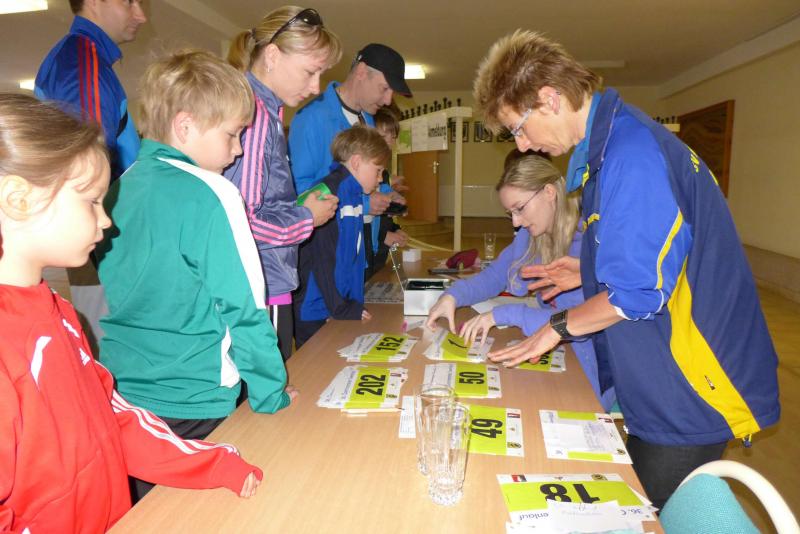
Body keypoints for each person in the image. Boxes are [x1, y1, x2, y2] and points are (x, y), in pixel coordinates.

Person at [474, 30, 780, 509]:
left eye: (518, 128)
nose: (523, 144)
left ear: (549, 99)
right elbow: (657, 255)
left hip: (689, 389)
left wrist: (557, 327)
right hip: (660, 378)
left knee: (640, 515)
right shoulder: (610, 147)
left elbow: (636, 294)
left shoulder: (631, 156)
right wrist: (587, 272)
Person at [0, 93, 262, 533]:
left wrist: (211, 464)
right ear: (19, 200)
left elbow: (114, 418)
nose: (107, 221)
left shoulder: (59, 312)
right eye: (91, 202)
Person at [95, 51, 296, 499]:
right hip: (196, 402)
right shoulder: (214, 193)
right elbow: (245, 308)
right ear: (185, 127)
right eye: (232, 134)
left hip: (126, 401)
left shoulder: (116, 190)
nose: (238, 149)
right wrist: (272, 394)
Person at [426, 154, 613, 410]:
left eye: (520, 208)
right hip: (555, 350)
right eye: (510, 213)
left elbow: (578, 321)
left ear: (549, 192)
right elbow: (494, 276)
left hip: (591, 369)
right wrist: (452, 296)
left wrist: (503, 315)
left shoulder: (588, 241)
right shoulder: (530, 234)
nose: (515, 222)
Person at [224, 6, 341, 360]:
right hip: (261, 283)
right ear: (273, 55)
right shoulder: (256, 115)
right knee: (269, 385)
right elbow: (241, 222)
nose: (316, 87)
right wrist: (308, 218)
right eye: (309, 72)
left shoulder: (264, 111)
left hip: (260, 279)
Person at [288, 43, 410, 283]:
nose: (388, 100)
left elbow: (364, 177)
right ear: (362, 72)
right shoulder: (312, 118)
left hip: (361, 249)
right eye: (384, 88)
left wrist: (386, 194)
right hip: (326, 257)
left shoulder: (368, 119)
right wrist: (364, 203)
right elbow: (299, 193)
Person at [294, 125, 391, 346]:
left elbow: (349, 259)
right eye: (377, 170)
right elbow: (323, 260)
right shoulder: (328, 194)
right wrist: (339, 307)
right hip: (316, 307)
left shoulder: (354, 195)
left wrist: (350, 302)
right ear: (356, 162)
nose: (380, 179)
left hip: (334, 304)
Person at [35, 0, 146, 180]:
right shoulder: (82, 64)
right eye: (129, 2)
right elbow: (89, 169)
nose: (141, 17)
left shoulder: (84, 59)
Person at [370, 105, 409, 277]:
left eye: (393, 137)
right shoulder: (362, 175)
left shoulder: (383, 174)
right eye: (383, 136)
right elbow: (361, 219)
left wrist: (394, 228)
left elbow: (382, 215)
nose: (389, 143)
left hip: (379, 253)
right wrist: (384, 236)